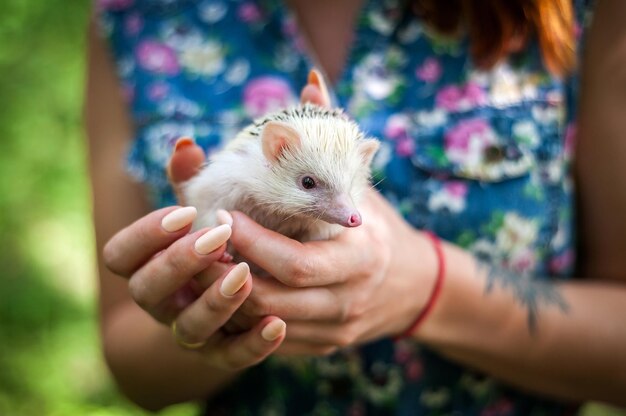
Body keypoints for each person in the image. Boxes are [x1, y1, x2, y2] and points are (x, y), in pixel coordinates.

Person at [86, 0, 626, 414]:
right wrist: (204, 321)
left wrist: (426, 291)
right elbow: (133, 370)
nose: (350, 214)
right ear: (276, 152)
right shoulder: (133, 15)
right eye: (309, 184)